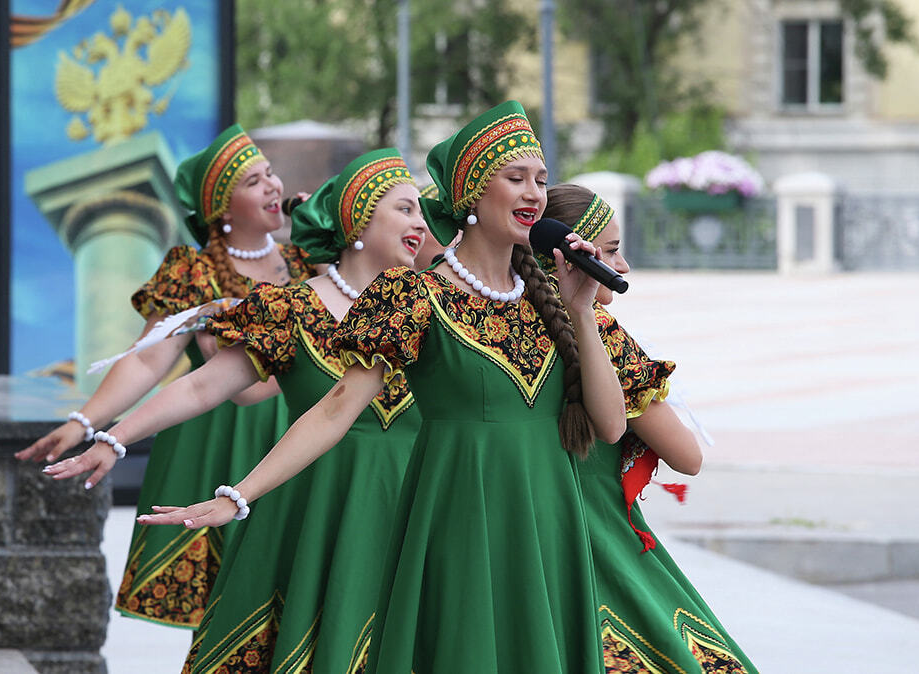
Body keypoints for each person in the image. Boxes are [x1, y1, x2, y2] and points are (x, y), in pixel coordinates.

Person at [138, 101, 628, 672]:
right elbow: (334, 409)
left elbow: (611, 425)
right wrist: (238, 495)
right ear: (470, 195)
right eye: (515, 178)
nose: (533, 195)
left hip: (549, 524)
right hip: (459, 519)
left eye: (540, 181)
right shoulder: (412, 297)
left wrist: (580, 310)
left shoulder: (556, 297)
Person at [50, 149, 427, 672]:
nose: (421, 223)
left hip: (417, 506)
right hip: (310, 503)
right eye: (406, 209)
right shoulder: (292, 307)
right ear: (359, 218)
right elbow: (201, 387)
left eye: (423, 211)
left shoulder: (432, 306)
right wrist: (112, 437)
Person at [16, 124, 313, 629]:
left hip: (301, 426)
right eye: (252, 182)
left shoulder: (309, 262)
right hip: (218, 437)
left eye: (270, 175)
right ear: (222, 208)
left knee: (297, 592)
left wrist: (322, 220)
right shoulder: (195, 272)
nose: (272, 187)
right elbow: (147, 359)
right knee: (224, 599)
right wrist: (86, 422)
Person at [544, 183, 758, 672]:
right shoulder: (600, 333)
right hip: (598, 533)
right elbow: (688, 457)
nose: (622, 267)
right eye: (612, 252)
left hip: (526, 527)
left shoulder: (504, 319)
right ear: (575, 256)